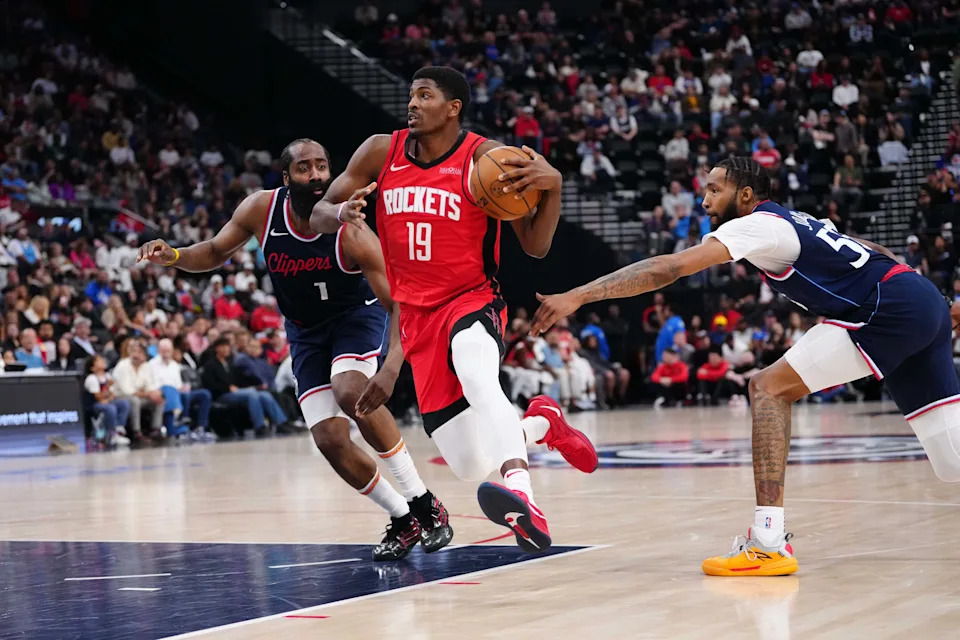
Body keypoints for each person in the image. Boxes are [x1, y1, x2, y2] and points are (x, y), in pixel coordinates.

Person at [532, 156, 960, 577]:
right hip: (916, 297)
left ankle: (768, 542)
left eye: (715, 190)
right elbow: (875, 250)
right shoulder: (798, 220)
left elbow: (669, 268)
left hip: (889, 309)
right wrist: (930, 301)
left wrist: (577, 296)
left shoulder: (757, 225)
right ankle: (769, 542)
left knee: (768, 388)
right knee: (951, 461)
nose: (705, 202)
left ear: (747, 194)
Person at [310, 66, 597, 552]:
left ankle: (526, 499)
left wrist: (554, 187)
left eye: (425, 95)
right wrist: (342, 213)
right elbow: (317, 213)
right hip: (416, 319)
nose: (413, 103)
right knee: (467, 463)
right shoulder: (382, 150)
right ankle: (543, 423)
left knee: (479, 378)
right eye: (411, 95)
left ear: (453, 108)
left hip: (471, 299)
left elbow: (536, 246)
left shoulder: (486, 159)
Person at [138, 138, 453, 561]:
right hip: (305, 332)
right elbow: (213, 251)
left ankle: (422, 501)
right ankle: (402, 517)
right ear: (287, 179)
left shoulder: (353, 231)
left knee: (349, 390)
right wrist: (173, 254)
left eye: (323, 166)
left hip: (355, 320)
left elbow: (399, 303)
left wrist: (393, 366)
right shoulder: (260, 210)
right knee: (329, 438)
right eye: (305, 168)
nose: (317, 176)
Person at [150, 338, 214, 441]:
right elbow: (153, 384)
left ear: (172, 351)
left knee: (204, 394)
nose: (166, 353)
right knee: (169, 389)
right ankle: (181, 423)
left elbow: (178, 383)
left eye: (168, 351)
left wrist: (183, 387)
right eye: (164, 350)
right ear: (158, 350)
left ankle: (201, 427)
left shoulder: (174, 365)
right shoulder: (152, 364)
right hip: (162, 392)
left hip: (176, 392)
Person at [112, 339, 165, 442]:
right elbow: (127, 390)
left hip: (140, 396)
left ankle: (156, 429)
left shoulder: (147, 366)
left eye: (140, 353)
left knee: (159, 400)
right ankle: (136, 431)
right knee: (134, 400)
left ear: (145, 356)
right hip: (121, 397)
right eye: (134, 352)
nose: (136, 355)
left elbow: (150, 386)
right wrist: (147, 393)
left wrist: (154, 393)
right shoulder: (123, 366)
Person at [83, 355, 131, 446]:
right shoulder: (92, 378)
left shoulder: (107, 376)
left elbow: (112, 394)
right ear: (92, 367)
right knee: (111, 408)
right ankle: (111, 433)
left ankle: (119, 428)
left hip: (106, 401)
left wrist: (108, 397)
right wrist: (107, 388)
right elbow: (98, 397)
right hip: (94, 405)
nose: (102, 361)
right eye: (99, 360)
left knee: (123, 403)